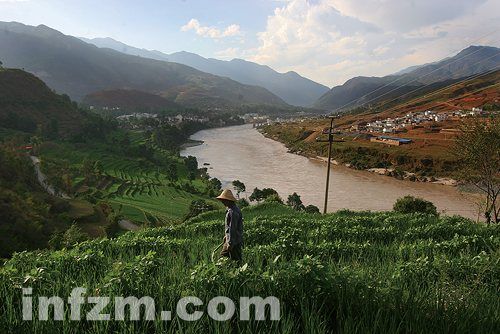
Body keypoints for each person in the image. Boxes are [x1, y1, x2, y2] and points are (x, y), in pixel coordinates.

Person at [216, 189, 243, 261]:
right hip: (236, 240)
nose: (222, 202)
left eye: (224, 200)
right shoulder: (235, 209)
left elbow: (232, 228)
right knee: (236, 259)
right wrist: (226, 236)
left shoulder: (232, 212)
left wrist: (230, 243)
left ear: (228, 200)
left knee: (223, 258)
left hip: (233, 241)